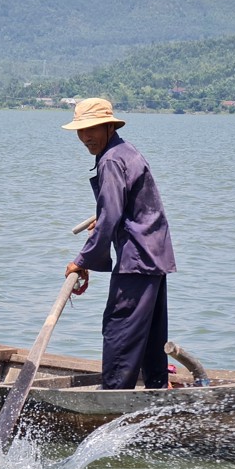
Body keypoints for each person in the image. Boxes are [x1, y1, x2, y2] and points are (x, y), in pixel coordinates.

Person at [63, 97, 177, 390]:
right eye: (81, 131)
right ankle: (156, 395)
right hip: (153, 255)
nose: (85, 137)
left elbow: (111, 216)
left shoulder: (112, 160)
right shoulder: (125, 151)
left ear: (109, 126)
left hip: (137, 258)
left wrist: (82, 261)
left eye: (92, 129)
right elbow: (118, 209)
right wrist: (101, 220)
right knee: (151, 337)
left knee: (120, 331)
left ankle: (112, 401)